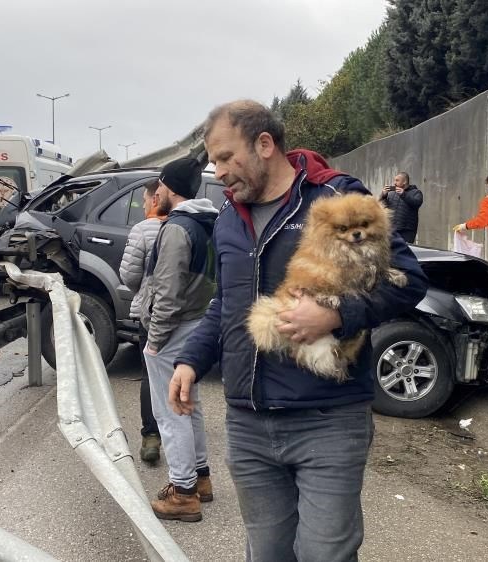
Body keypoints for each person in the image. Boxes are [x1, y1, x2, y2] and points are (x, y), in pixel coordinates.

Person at [170, 100, 428, 560]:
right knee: (266, 554)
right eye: (214, 161)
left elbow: (409, 281)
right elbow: (227, 304)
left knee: (323, 555)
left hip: (326, 421)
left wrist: (337, 315)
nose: (219, 170)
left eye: (227, 157)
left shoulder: (336, 200)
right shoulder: (228, 218)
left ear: (265, 144)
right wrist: (191, 359)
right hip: (248, 423)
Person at [141, 157, 219, 522]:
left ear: (168, 188)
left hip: (172, 331)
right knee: (191, 404)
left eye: (158, 186)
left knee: (170, 409)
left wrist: (154, 341)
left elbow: (168, 292)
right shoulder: (207, 222)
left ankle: (183, 492)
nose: (155, 192)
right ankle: (200, 479)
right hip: (197, 324)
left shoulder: (176, 229)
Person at [118, 178, 165, 464]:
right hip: (186, 315)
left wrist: (143, 292)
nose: (144, 205)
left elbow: (129, 275)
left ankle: (151, 437)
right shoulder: (192, 225)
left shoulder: (143, 229)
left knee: (151, 374)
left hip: (150, 313)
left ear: (154, 200)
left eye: (145, 200)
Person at [379, 171, 423, 243]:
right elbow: (382, 206)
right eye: (394, 180)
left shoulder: (416, 192)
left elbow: (417, 203)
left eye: (397, 180)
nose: (394, 183)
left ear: (404, 182)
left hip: (407, 231)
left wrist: (403, 194)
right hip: (391, 229)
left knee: (404, 251)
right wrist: (383, 195)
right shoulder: (391, 193)